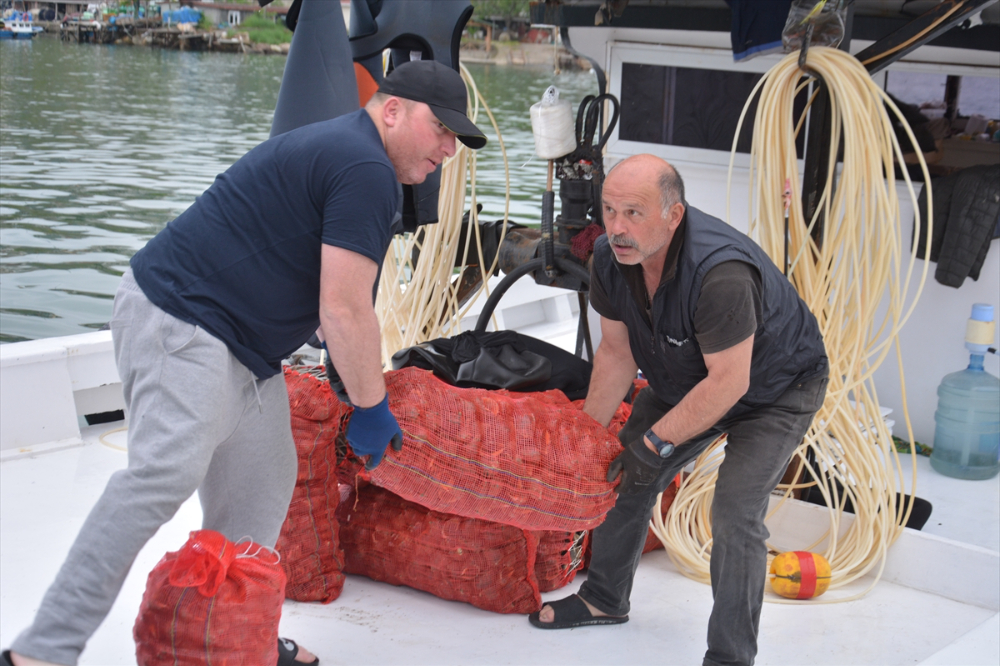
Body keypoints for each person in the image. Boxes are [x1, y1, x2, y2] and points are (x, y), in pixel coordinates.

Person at [5, 59, 486, 666]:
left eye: (455, 137)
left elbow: (331, 298)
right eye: (440, 128)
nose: (448, 148)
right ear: (392, 110)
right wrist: (371, 407)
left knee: (264, 483)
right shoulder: (365, 167)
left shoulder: (353, 154)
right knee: (162, 477)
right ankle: (42, 651)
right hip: (182, 317)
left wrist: (348, 375)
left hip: (246, 346)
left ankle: (241, 634)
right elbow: (343, 309)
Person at [529, 154, 828, 666]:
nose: (617, 228)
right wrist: (585, 437)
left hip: (776, 389)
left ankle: (730, 656)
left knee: (734, 511)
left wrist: (655, 443)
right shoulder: (609, 258)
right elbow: (616, 353)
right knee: (620, 472)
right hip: (687, 376)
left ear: (674, 215)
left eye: (634, 213)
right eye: (609, 210)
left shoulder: (720, 273)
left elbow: (730, 381)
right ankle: (604, 599)